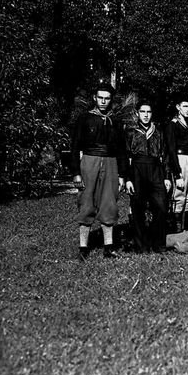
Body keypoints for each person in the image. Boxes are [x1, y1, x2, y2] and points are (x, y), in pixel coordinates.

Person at [70, 83, 126, 260]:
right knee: (86, 202)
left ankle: (108, 247)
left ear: (111, 100)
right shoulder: (84, 118)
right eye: (100, 97)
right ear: (95, 97)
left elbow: (122, 150)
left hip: (111, 163)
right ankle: (83, 248)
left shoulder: (116, 121)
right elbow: (74, 147)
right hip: (89, 161)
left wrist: (123, 175)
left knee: (109, 203)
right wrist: (76, 172)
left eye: (107, 98)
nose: (103, 101)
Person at [123, 101, 173, 253]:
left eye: (148, 112)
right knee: (138, 209)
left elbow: (165, 155)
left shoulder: (158, 131)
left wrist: (166, 177)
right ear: (137, 113)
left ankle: (157, 243)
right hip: (137, 169)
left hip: (155, 169)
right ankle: (141, 245)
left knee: (161, 207)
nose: (145, 115)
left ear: (152, 114)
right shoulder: (131, 132)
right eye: (142, 112)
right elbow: (126, 156)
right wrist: (128, 179)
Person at [165, 94, 188, 231]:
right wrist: (177, 174)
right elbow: (171, 150)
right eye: (185, 106)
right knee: (179, 195)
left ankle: (187, 228)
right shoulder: (172, 124)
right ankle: (177, 229)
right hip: (180, 159)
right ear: (178, 107)